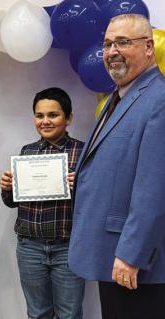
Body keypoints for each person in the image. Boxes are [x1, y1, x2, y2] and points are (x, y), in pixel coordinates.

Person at [68, 14, 165, 319]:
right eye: (108, 43)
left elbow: (154, 187)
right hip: (110, 254)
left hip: (135, 263)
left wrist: (131, 254)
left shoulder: (159, 98)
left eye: (123, 42)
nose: (111, 51)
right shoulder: (119, 97)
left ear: (149, 48)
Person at [0, 87, 85, 319]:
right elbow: (13, 203)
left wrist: (82, 185)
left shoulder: (83, 152)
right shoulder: (27, 152)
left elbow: (96, 202)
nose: (45, 121)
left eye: (53, 115)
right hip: (30, 247)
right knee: (38, 314)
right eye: (39, 116)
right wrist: (7, 188)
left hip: (68, 248)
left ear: (68, 118)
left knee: (70, 314)